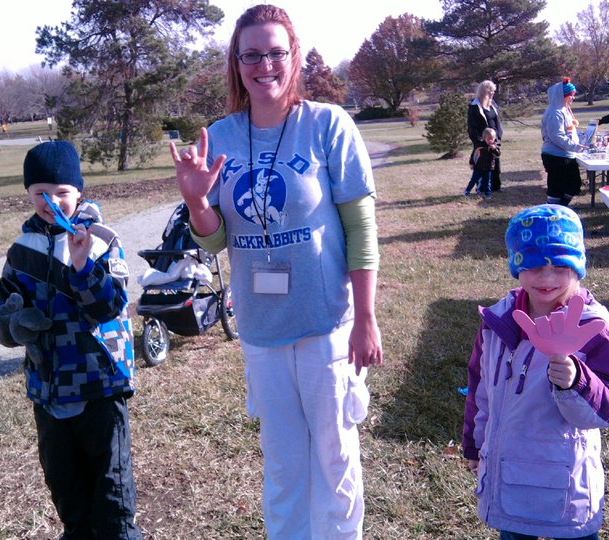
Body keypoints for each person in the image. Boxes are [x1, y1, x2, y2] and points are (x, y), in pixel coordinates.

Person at [169, 5, 383, 538]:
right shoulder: (220, 137)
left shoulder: (327, 124)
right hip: (261, 329)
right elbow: (216, 239)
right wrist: (197, 203)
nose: (264, 65)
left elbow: (361, 230)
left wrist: (366, 317)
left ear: (294, 56)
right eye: (251, 55)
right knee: (284, 465)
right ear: (236, 63)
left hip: (326, 322)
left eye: (275, 52)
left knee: (335, 460)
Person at [0, 141, 141, 540]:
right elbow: (3, 306)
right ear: (27, 193)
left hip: (100, 384)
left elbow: (109, 307)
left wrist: (82, 265)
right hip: (47, 387)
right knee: (64, 485)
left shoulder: (102, 240)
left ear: (79, 192)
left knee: (111, 491)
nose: (51, 201)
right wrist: (10, 325)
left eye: (61, 192)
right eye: (40, 192)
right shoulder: (22, 249)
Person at [462, 204, 609, 540]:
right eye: (535, 265)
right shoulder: (497, 324)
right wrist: (474, 445)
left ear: (578, 267)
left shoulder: (590, 329)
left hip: (566, 489)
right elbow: (480, 389)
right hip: (508, 481)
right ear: (517, 266)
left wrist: (576, 380)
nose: (547, 278)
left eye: (560, 266)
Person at [540, 77, 586, 206]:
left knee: (574, 185)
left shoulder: (564, 110)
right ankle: (553, 211)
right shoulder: (555, 112)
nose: (573, 98)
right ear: (563, 96)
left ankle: (561, 207)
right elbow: (556, 136)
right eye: (571, 95)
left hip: (566, 155)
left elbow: (569, 130)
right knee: (557, 188)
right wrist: (575, 147)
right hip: (555, 156)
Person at [468, 80, 503, 192]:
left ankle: (496, 187)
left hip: (493, 141)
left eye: (494, 91)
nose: (493, 93)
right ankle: (482, 188)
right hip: (482, 143)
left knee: (495, 164)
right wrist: (480, 141)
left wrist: (498, 137)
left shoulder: (493, 105)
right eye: (491, 91)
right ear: (484, 91)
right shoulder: (474, 107)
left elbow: (497, 122)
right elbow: (472, 127)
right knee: (482, 166)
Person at [464, 127, 500, 199]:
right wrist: (471, 163)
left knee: (487, 182)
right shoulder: (479, 145)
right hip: (478, 167)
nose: (490, 140)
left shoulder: (494, 146)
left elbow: (498, 154)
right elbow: (473, 155)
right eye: (488, 139)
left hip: (488, 167)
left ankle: (487, 194)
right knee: (474, 180)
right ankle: (467, 191)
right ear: (484, 138)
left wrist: (494, 149)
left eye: (492, 138)